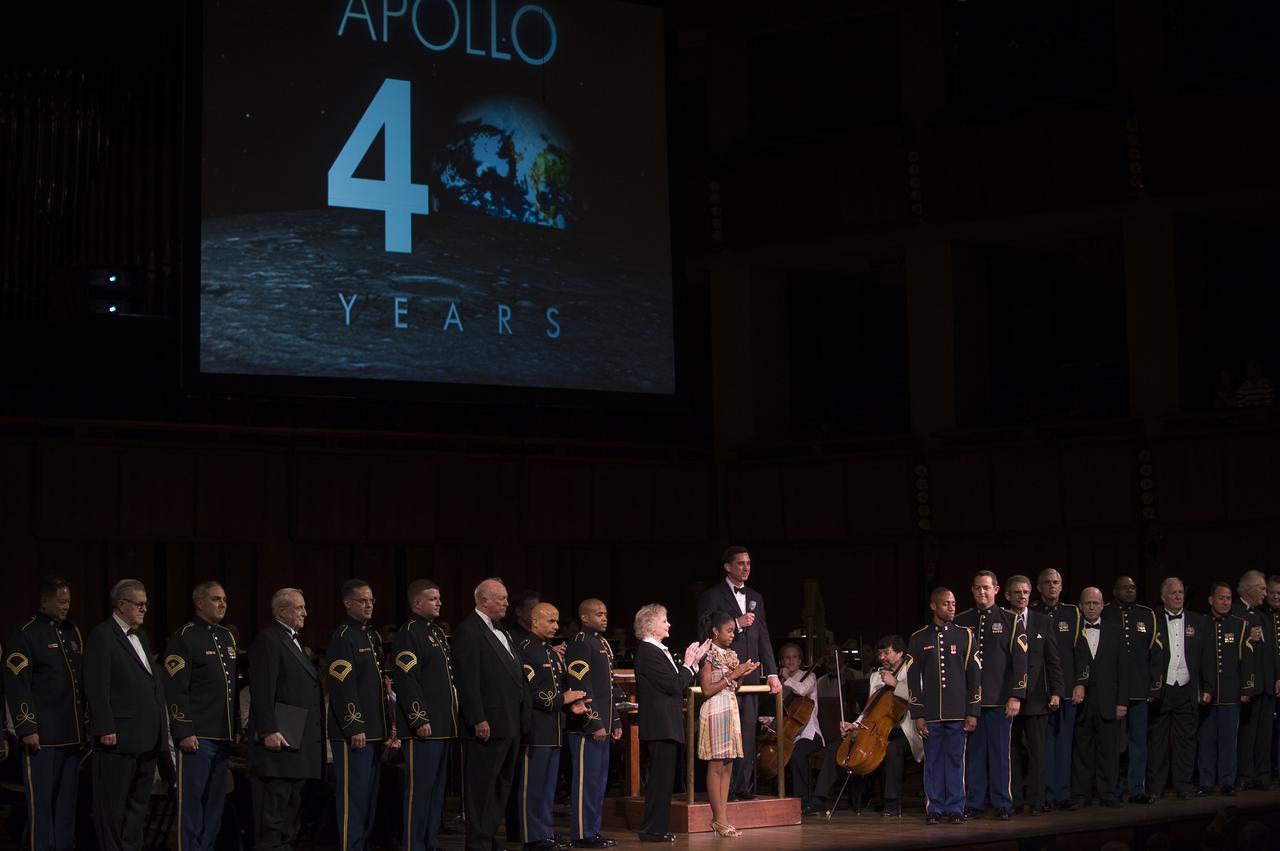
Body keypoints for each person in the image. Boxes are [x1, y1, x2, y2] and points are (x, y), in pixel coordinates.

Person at [3, 575, 86, 851]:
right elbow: (18, 687)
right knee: (42, 806)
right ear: (44, 602)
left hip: (71, 736)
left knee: (66, 806)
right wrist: (27, 728)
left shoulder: (72, 633)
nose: (66, 607)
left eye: (69, 601)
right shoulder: (25, 635)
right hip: (42, 737)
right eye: (61, 601)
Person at [85, 578, 167, 851]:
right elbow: (98, 686)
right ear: (121, 605)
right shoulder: (102, 635)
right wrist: (104, 726)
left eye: (146, 604)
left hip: (146, 739)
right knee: (112, 807)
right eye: (139, 604)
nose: (145, 609)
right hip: (117, 739)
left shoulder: (141, 636)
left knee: (137, 806)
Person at [695, 547, 781, 800]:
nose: (746, 568)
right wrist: (737, 624)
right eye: (741, 563)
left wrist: (773, 673)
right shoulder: (712, 596)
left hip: (751, 675)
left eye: (749, 563)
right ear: (728, 567)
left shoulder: (756, 596)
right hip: (723, 675)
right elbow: (704, 631)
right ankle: (724, 790)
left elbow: (763, 635)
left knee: (746, 730)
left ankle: (743, 786)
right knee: (725, 732)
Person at [163, 581, 240, 851]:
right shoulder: (185, 636)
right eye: (216, 599)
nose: (223, 604)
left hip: (222, 736)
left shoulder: (227, 637)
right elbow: (176, 689)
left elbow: (231, 690)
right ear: (199, 603)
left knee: (214, 807)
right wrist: (184, 730)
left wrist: (235, 728)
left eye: (225, 599)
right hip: (197, 737)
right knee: (192, 805)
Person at [453, 578, 529, 851]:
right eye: (502, 598)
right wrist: (477, 718)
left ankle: (487, 837)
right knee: (482, 788)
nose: (507, 603)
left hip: (510, 722)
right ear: (483, 600)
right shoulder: (469, 631)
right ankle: (478, 843)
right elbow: (467, 680)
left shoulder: (502, 631)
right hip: (489, 723)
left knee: (501, 786)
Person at [247, 588, 325, 851]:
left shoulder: (293, 640)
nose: (305, 612)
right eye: (299, 607)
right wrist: (268, 729)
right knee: (274, 815)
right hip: (279, 742)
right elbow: (262, 688)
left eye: (304, 607)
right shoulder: (269, 639)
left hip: (297, 740)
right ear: (282, 612)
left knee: (291, 814)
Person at [325, 580, 394, 851]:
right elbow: (342, 686)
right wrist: (354, 725)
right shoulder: (343, 637)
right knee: (353, 799)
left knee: (368, 800)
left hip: (374, 731)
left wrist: (388, 727)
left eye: (371, 600)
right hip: (354, 732)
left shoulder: (372, 636)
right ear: (348, 603)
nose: (369, 605)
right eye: (363, 600)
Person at [954, 570, 1027, 820]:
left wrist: (1016, 695)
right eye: (977, 588)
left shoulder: (1011, 619)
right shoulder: (962, 620)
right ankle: (974, 803)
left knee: (1000, 755)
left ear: (996, 590)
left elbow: (1020, 661)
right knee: (973, 755)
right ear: (972, 590)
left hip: (999, 700)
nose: (982, 592)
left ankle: (1002, 803)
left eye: (986, 588)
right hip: (969, 704)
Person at [392, 579, 458, 851]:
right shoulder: (409, 632)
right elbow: (407, 681)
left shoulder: (436, 633)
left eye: (439, 598)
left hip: (443, 725)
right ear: (417, 603)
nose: (439, 602)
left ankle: (430, 841)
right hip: (425, 727)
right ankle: (414, 844)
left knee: (435, 791)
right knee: (419, 791)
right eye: (433, 598)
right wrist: (418, 718)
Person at [632, 604, 707, 844]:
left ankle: (657, 829)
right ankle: (652, 830)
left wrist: (693, 664)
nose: (669, 625)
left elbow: (677, 683)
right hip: (660, 725)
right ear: (652, 626)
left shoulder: (658, 650)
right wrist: (688, 663)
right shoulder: (647, 652)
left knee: (665, 781)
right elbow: (675, 685)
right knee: (659, 781)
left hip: (668, 724)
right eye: (664, 621)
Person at [518, 603, 588, 850]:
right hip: (536, 728)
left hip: (555, 726)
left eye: (557, 621)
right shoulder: (526, 649)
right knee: (533, 786)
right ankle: (532, 836)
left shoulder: (548, 651)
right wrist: (562, 700)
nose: (556, 626)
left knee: (548, 786)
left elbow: (559, 688)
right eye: (550, 621)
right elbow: (530, 692)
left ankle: (545, 831)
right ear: (534, 621)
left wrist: (572, 705)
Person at [908, 588, 979, 825]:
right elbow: (912, 680)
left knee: (956, 762)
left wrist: (972, 711)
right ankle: (935, 808)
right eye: (946, 603)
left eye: (954, 603)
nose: (951, 607)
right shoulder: (918, 638)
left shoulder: (965, 636)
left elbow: (974, 677)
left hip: (958, 712)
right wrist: (917, 713)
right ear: (933, 606)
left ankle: (956, 807)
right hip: (931, 714)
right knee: (933, 762)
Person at [1004, 575, 1064, 815]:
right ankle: (1015, 800)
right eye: (1017, 592)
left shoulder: (1042, 621)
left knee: (1038, 753)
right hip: (1007, 699)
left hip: (1038, 698)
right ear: (1007, 596)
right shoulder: (1002, 620)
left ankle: (1037, 801)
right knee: (1011, 753)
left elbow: (1053, 659)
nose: (1022, 596)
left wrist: (1058, 691)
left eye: (1026, 592)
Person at [1102, 575, 1163, 803]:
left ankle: (1137, 788)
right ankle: (1112, 789)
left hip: (1139, 690)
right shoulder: (1106, 612)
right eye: (1125, 588)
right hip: (1112, 690)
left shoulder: (1147, 615)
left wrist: (1154, 687)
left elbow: (1156, 654)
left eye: (1133, 587)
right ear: (1115, 591)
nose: (1130, 591)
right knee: (1113, 744)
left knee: (1139, 742)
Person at [565, 599, 620, 849]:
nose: (604, 617)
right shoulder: (580, 642)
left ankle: (593, 830)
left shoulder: (602, 643)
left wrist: (614, 720)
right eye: (598, 614)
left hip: (604, 725)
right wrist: (594, 722)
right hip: (587, 728)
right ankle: (581, 833)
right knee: (585, 782)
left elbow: (607, 687)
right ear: (584, 618)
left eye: (605, 613)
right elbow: (581, 686)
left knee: (598, 782)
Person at [698, 611, 759, 837]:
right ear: (715, 631)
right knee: (716, 766)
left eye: (733, 631)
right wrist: (734, 674)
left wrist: (742, 674)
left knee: (728, 765)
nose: (732, 635)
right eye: (729, 630)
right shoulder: (708, 654)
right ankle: (719, 818)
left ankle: (722, 817)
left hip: (730, 708)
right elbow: (707, 690)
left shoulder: (730, 654)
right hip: (715, 709)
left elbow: (734, 688)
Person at [850, 635, 922, 818]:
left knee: (891, 750)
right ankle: (859, 798)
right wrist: (855, 725)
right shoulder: (876, 676)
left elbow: (918, 698)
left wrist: (896, 683)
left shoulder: (912, 670)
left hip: (906, 732)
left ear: (900, 653)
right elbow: (869, 709)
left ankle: (892, 802)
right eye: (880, 653)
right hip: (880, 730)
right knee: (855, 746)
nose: (882, 657)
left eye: (887, 653)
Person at [1147, 577, 1205, 800]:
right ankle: (1155, 788)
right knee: (1158, 741)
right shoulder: (1153, 620)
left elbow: (1205, 658)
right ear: (1163, 598)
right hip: (1162, 687)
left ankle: (1184, 785)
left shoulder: (1198, 621)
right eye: (1174, 593)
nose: (1179, 596)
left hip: (1187, 686)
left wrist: (1206, 687)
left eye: (1181, 592)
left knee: (1186, 740)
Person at [1030, 568, 1083, 810]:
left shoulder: (1072, 613)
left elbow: (1080, 651)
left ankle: (1063, 794)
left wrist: (1081, 682)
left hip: (1068, 690)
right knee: (1044, 747)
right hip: (1041, 692)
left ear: (1061, 587)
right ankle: (1047, 795)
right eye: (1047, 583)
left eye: (1056, 582)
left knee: (1065, 744)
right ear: (1039, 588)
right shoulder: (1032, 613)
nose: (1052, 586)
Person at [1071, 587, 1125, 809]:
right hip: (1082, 702)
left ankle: (1108, 793)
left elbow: (1123, 670)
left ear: (1103, 605)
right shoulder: (1073, 631)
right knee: (1082, 751)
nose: (1092, 607)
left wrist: (1122, 702)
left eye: (1096, 603)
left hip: (1108, 702)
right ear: (1081, 606)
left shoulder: (1116, 631)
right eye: (1087, 603)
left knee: (1109, 751)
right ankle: (1082, 795)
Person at [1200, 581, 1255, 795]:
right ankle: (1206, 782)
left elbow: (1247, 661)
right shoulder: (1202, 623)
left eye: (1228, 598)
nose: (1225, 602)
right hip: (1207, 695)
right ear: (1211, 600)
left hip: (1231, 694)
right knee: (1206, 741)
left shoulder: (1240, 625)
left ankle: (1227, 782)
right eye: (1221, 598)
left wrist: (1247, 688)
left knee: (1228, 742)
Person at [1233, 570, 1274, 791]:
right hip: (1248, 685)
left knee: (1265, 734)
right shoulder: (1236, 613)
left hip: (1267, 684)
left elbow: (1272, 652)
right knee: (1247, 734)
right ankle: (1246, 774)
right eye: (1262, 589)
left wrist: (1277, 678)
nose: (1265, 594)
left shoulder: (1263, 617)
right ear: (1248, 589)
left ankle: (1263, 773)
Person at [776, 643, 823, 811]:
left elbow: (802, 691)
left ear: (800, 660)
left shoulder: (809, 676)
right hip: (790, 733)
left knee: (796, 753)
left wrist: (786, 679)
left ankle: (802, 800)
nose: (791, 661)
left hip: (810, 734)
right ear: (781, 661)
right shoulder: (779, 682)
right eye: (787, 658)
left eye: (795, 657)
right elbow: (782, 711)